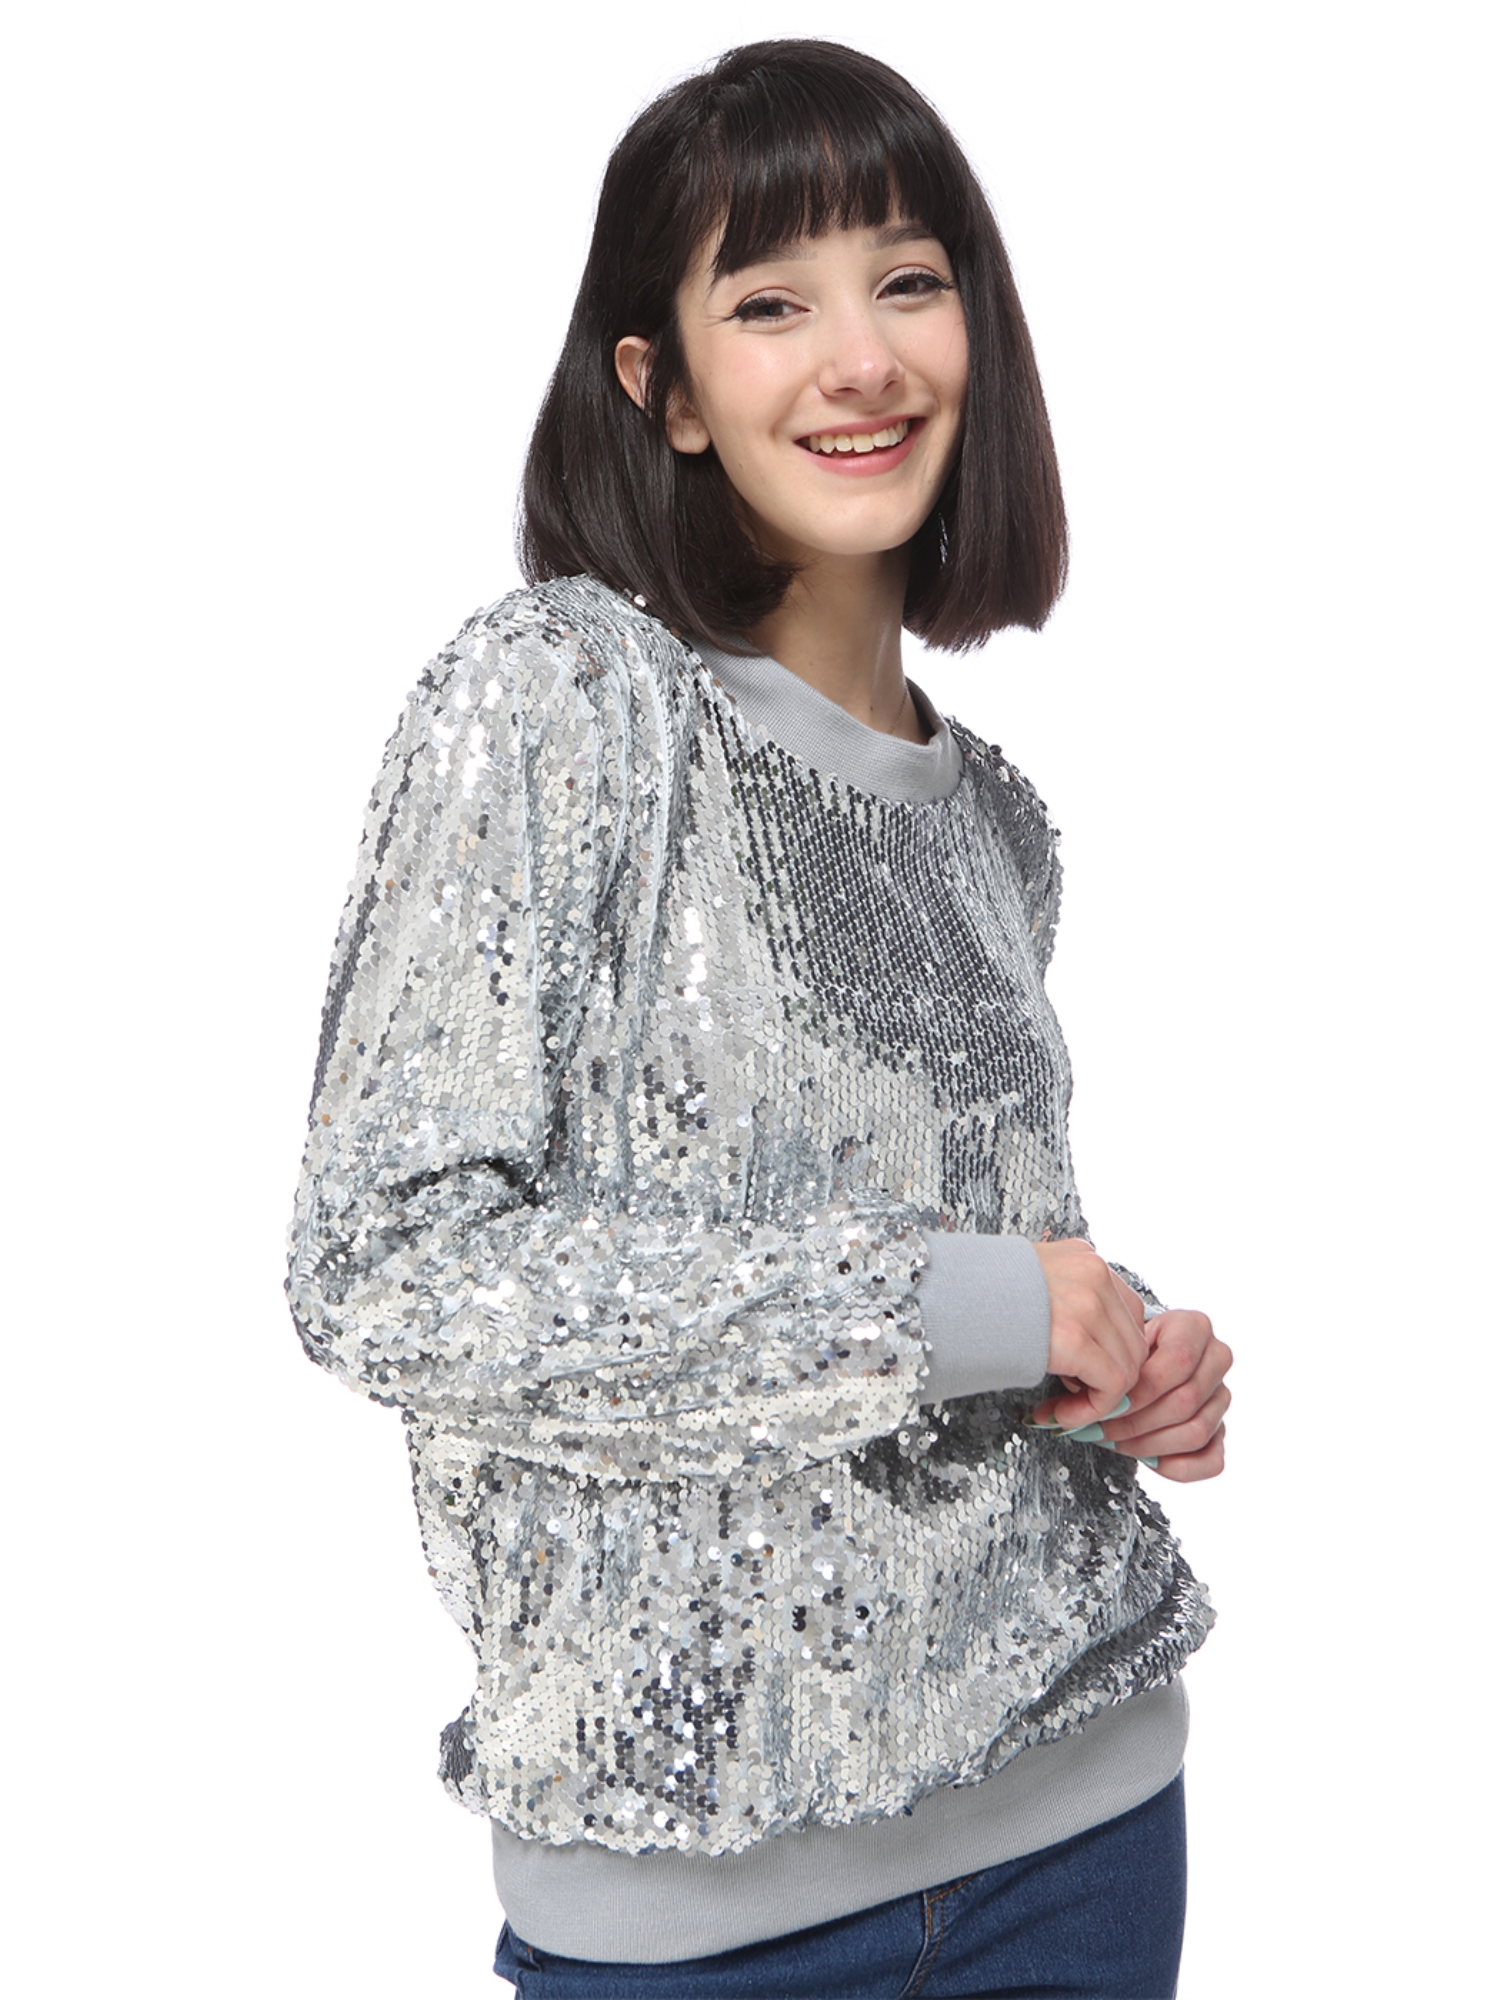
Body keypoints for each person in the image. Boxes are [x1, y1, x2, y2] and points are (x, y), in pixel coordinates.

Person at [286, 38, 1232, 2000]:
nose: (860, 360)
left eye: (908, 280)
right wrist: (974, 1301)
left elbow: (917, 1250)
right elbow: (387, 1270)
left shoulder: (993, 822)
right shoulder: (560, 701)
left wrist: (1110, 1336)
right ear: (665, 388)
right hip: (698, 1915)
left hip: (1081, 1825)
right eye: (772, 303)